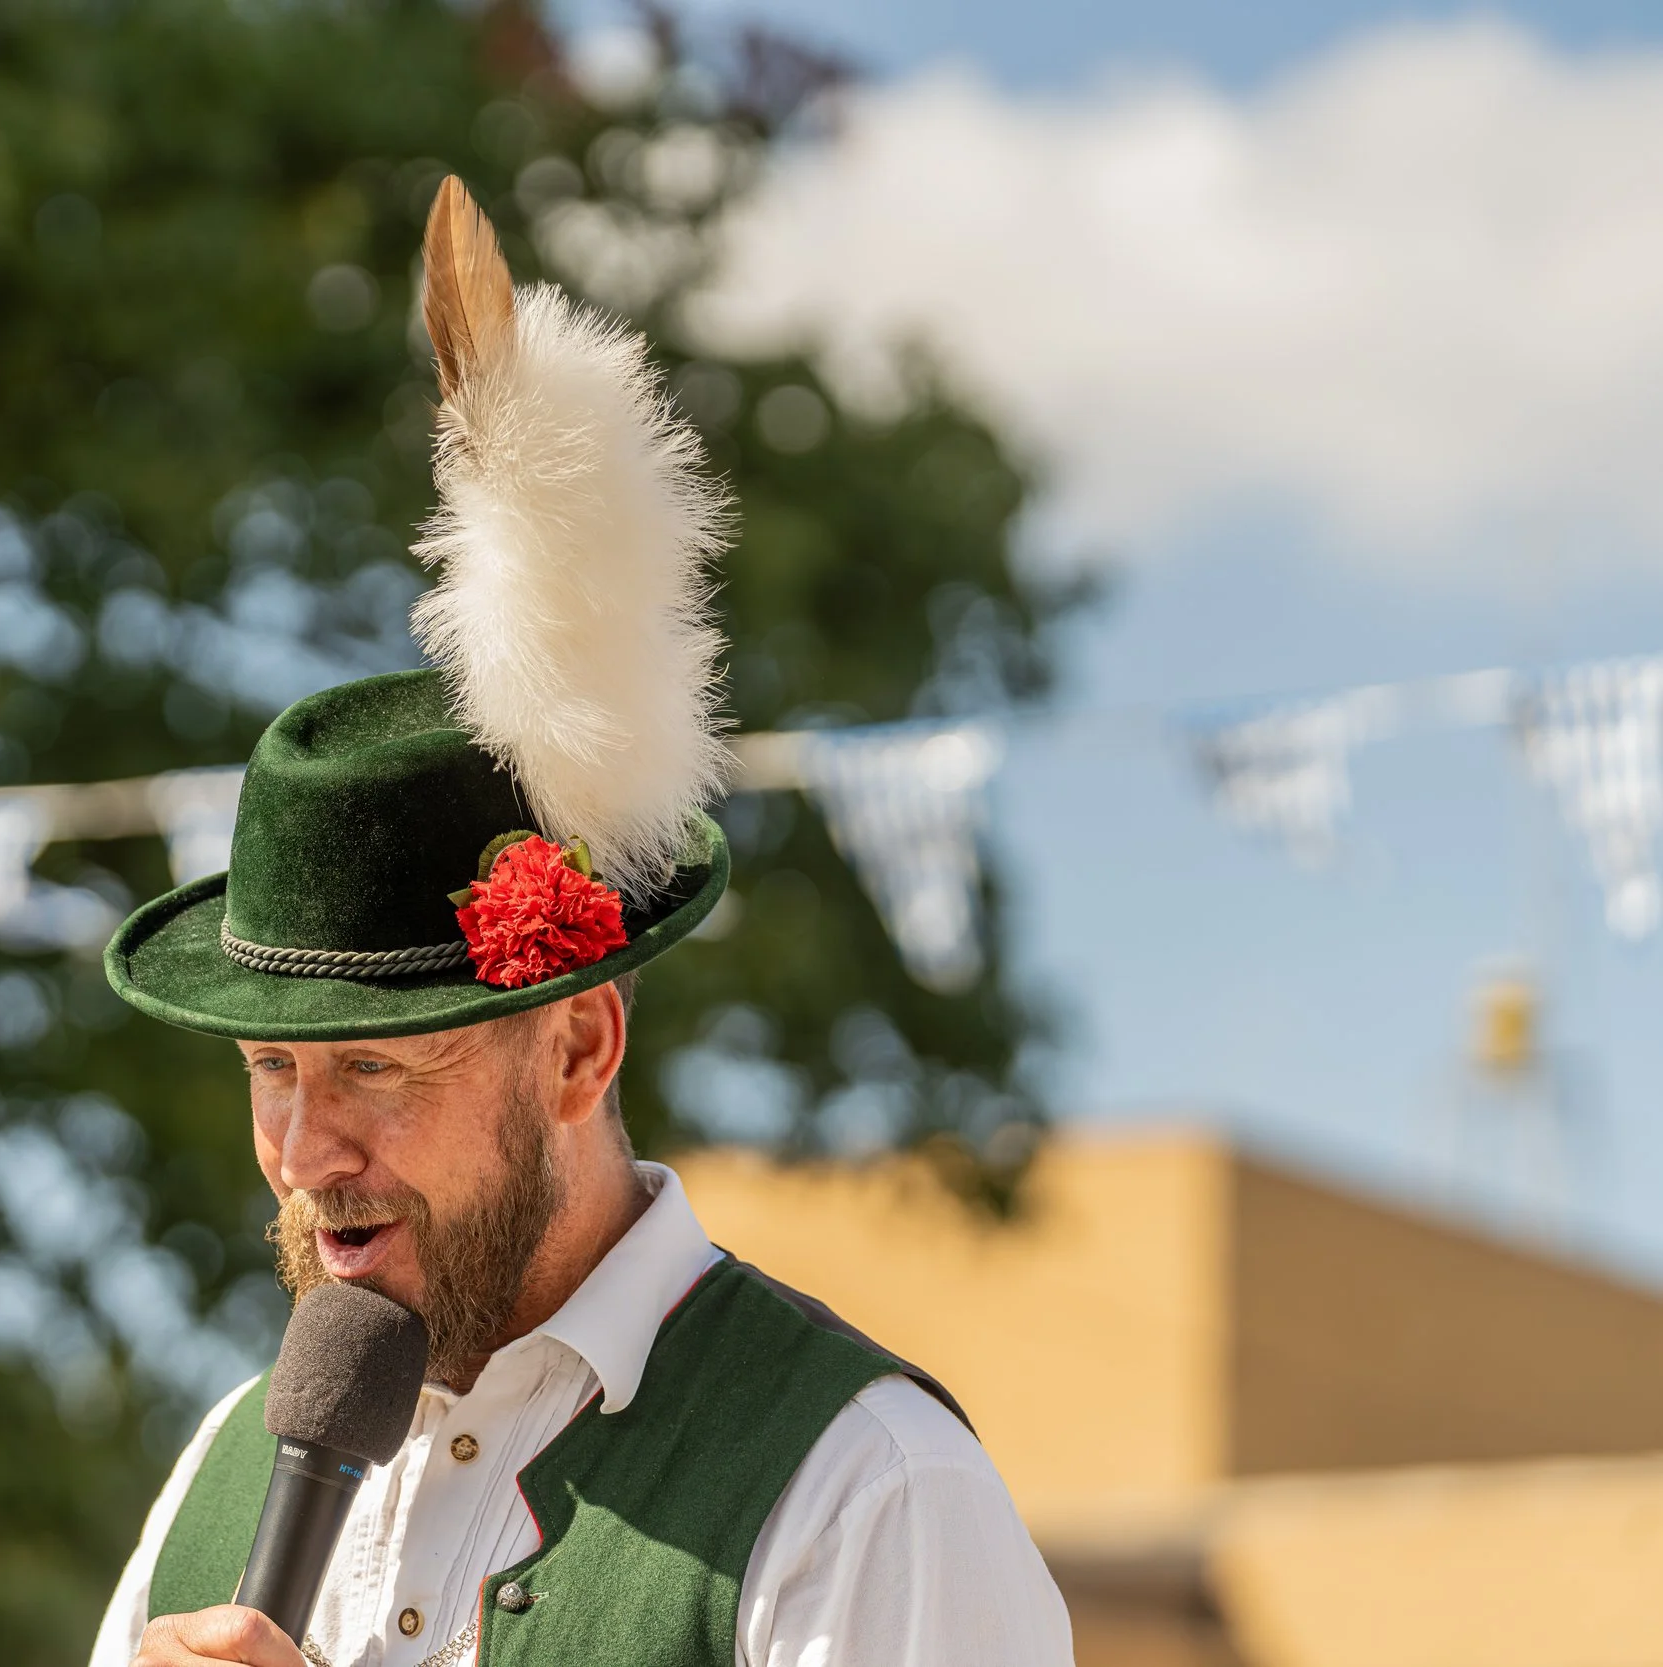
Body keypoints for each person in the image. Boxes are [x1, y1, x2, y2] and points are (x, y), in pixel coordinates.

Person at [89, 180, 1072, 1667]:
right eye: (272, 1072)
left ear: (578, 1047)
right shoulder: (218, 1477)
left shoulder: (863, 1485)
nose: (306, 1152)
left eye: (379, 1068)